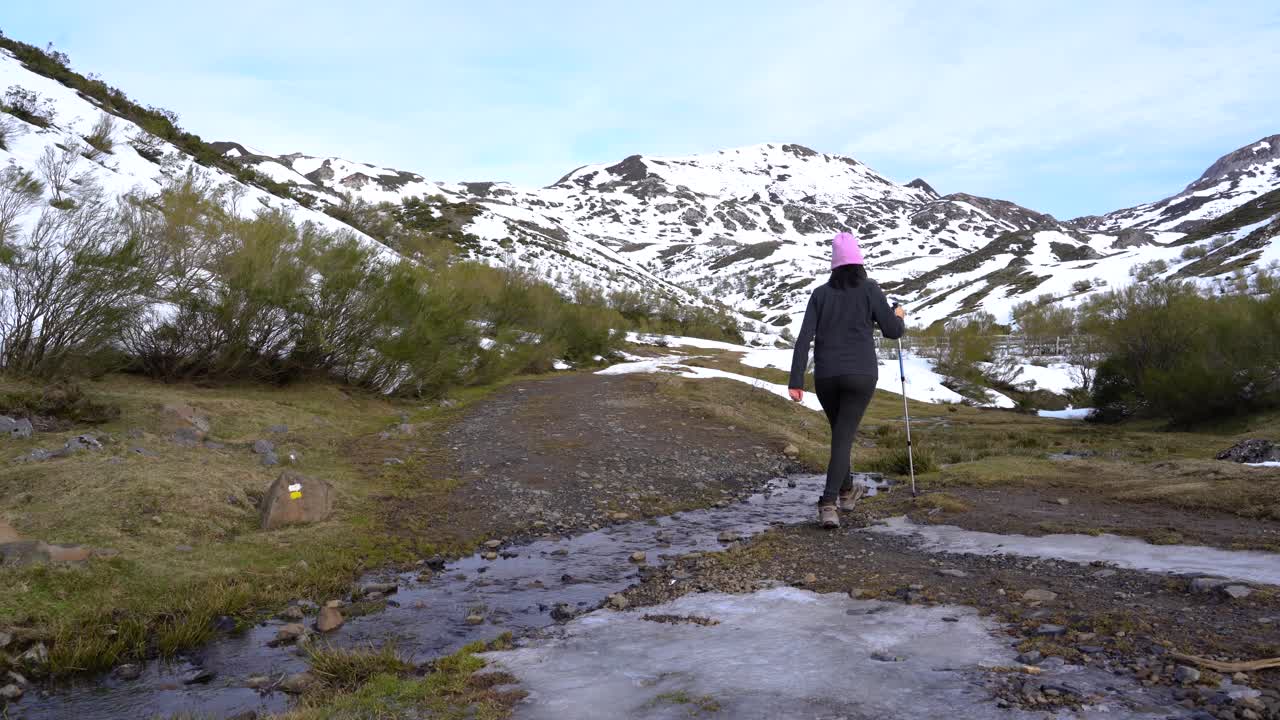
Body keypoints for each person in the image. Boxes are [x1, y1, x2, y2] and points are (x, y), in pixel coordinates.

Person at [787, 232, 905, 529]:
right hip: (861, 375)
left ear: (834, 265)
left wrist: (796, 380)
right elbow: (893, 331)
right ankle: (828, 503)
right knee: (842, 437)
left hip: (826, 377)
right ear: (858, 263)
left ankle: (846, 490)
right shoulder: (870, 289)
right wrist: (899, 315)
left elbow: (803, 339)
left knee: (841, 434)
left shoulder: (820, 294)